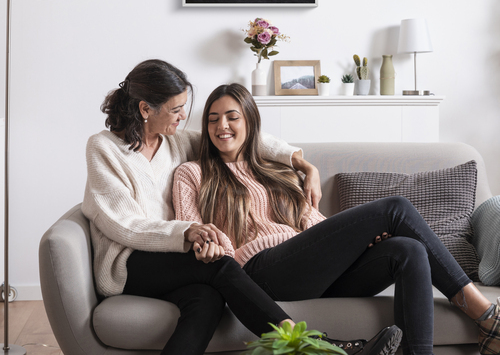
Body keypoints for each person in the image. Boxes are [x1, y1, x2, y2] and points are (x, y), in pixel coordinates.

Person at [173, 82, 500, 355]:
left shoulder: (279, 171)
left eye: (232, 117)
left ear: (251, 123)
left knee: (407, 249)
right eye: (213, 120)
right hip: (261, 271)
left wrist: (356, 243)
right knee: (394, 208)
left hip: (311, 269)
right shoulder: (193, 172)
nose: (221, 127)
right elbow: (190, 228)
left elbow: (312, 223)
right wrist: (210, 247)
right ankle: (484, 313)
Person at [81, 60, 342, 355]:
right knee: (218, 265)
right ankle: (305, 345)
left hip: (172, 259)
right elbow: (123, 223)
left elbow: (246, 137)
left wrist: (305, 165)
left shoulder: (175, 141)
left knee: (206, 299)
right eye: (176, 109)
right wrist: (189, 231)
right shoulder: (103, 148)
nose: (183, 116)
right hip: (129, 262)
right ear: (145, 109)